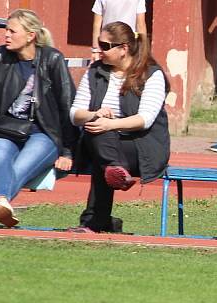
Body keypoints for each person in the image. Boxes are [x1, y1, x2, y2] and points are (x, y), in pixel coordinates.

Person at [0, 9, 75, 228]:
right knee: (1, 154)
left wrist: (67, 151)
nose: (6, 35)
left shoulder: (52, 58)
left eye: (12, 31)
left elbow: (67, 105)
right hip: (4, 129)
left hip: (43, 133)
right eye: (6, 30)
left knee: (21, 165)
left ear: (30, 35)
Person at [69, 21, 170, 233]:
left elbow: (145, 119)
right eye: (98, 44)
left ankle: (95, 220)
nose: (99, 50)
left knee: (101, 147)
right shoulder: (95, 72)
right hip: (106, 145)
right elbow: (75, 114)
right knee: (96, 131)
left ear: (123, 49)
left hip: (140, 147)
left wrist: (111, 123)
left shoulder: (152, 74)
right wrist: (94, 114)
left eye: (105, 46)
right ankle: (112, 175)